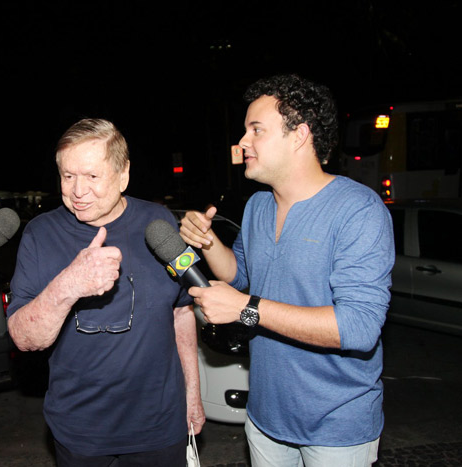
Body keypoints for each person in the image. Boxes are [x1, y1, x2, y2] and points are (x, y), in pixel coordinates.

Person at [180, 74, 394, 467]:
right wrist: (209, 243)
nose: (242, 142)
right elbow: (241, 276)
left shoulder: (358, 210)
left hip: (337, 427)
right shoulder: (258, 206)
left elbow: (360, 328)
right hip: (265, 418)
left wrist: (246, 308)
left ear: (299, 136)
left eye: (256, 130)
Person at [7, 118, 205, 466]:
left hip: (159, 426)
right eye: (68, 176)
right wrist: (68, 284)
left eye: (93, 176)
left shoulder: (157, 223)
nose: (78, 191)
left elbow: (180, 312)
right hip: (80, 433)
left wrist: (193, 393)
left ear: (123, 174)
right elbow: (24, 338)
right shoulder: (40, 234)